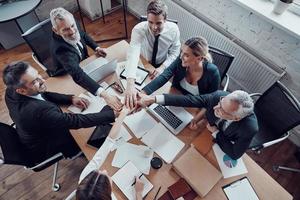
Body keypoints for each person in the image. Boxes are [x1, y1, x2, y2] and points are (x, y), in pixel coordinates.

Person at [3, 61, 117, 165]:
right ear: (21, 90)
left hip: (31, 134)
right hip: (49, 145)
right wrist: (113, 114)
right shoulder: (37, 111)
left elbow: (42, 94)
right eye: (35, 82)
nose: (42, 80)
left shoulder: (11, 90)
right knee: (89, 136)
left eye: (38, 75)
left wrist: (69, 99)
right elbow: (75, 121)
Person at [137, 90, 258, 160]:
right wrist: (153, 99)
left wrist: (215, 132)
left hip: (218, 141)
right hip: (201, 133)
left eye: (222, 110)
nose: (216, 107)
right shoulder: (218, 97)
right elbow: (189, 100)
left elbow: (235, 154)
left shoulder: (249, 128)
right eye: (221, 102)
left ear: (236, 118)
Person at [50, 7, 122, 111]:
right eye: (65, 29)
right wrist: (105, 95)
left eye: (72, 26)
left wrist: (96, 47)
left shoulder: (71, 25)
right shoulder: (60, 49)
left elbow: (83, 35)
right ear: (55, 30)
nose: (72, 31)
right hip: (67, 76)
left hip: (83, 63)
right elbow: (77, 75)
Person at [142, 37, 220, 129]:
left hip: (194, 108)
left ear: (199, 58)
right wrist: (143, 92)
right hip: (175, 97)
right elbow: (165, 76)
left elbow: (211, 100)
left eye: (186, 55)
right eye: (181, 52)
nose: (181, 56)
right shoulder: (180, 61)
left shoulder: (212, 73)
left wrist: (196, 119)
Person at [75, 106, 144, 200]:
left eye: (98, 171)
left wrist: (123, 113)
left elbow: (109, 141)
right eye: (106, 177)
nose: (104, 170)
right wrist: (139, 194)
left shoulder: (85, 178)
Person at [124, 0, 180, 109]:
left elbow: (175, 52)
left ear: (165, 20)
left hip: (161, 66)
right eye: (150, 22)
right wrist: (130, 84)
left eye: (158, 23)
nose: (154, 27)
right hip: (144, 63)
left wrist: (162, 68)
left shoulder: (174, 30)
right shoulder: (139, 29)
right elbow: (133, 54)